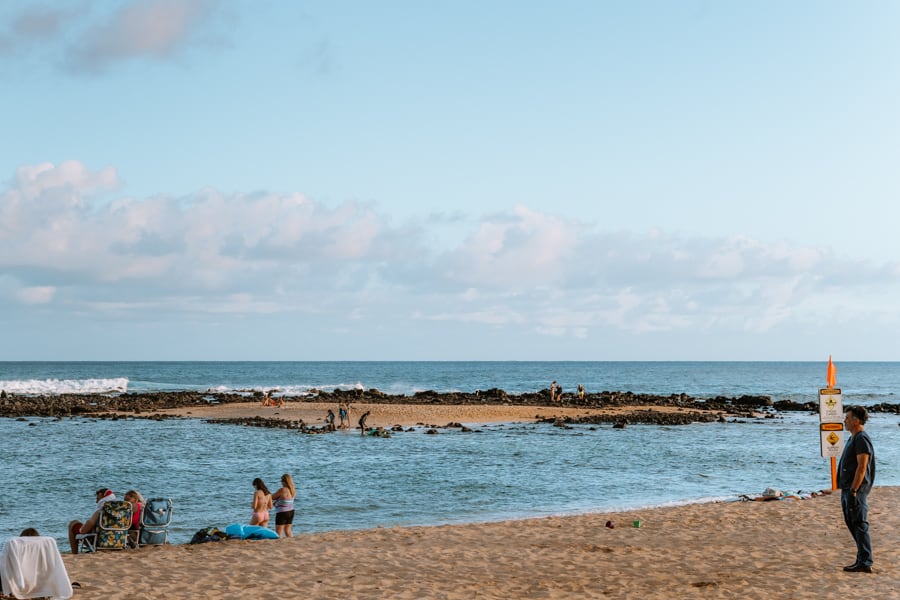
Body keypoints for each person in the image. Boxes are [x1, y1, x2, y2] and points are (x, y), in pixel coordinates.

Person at [838, 405, 876, 573]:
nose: (844, 421)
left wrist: (854, 489)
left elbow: (862, 467)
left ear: (857, 420)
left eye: (847, 418)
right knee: (851, 522)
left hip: (855, 490)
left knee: (859, 523)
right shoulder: (853, 438)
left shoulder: (861, 438)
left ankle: (865, 561)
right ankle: (862, 558)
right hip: (847, 489)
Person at [68, 487, 116, 554]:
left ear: (104, 499)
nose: (96, 502)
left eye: (98, 499)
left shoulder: (101, 510)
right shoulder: (121, 512)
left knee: (72, 524)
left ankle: (74, 553)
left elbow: (89, 524)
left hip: (99, 541)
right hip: (116, 541)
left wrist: (81, 530)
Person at [272, 473, 296, 538]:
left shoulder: (283, 490)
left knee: (278, 532)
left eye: (281, 481)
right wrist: (276, 502)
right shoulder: (293, 490)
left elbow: (272, 497)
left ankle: (278, 545)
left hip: (282, 512)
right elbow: (285, 501)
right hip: (291, 511)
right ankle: (291, 543)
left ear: (284, 481)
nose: (281, 482)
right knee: (288, 531)